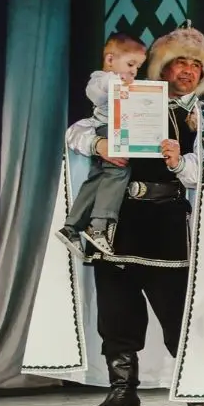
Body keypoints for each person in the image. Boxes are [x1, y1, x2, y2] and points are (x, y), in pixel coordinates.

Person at [23, 24, 204, 406]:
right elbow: (78, 131)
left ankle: (194, 384)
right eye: (179, 62)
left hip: (168, 222)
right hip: (119, 219)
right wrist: (99, 143)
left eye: (196, 64)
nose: (188, 70)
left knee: (177, 308)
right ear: (162, 67)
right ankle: (122, 389)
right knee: (116, 308)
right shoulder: (132, 98)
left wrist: (179, 162)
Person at [54, 33, 146, 261]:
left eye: (138, 67)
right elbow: (96, 91)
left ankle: (72, 226)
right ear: (110, 59)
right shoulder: (102, 79)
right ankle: (98, 225)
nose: (134, 71)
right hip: (107, 130)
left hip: (115, 130)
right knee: (119, 170)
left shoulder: (119, 81)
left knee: (97, 179)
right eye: (131, 64)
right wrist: (117, 81)